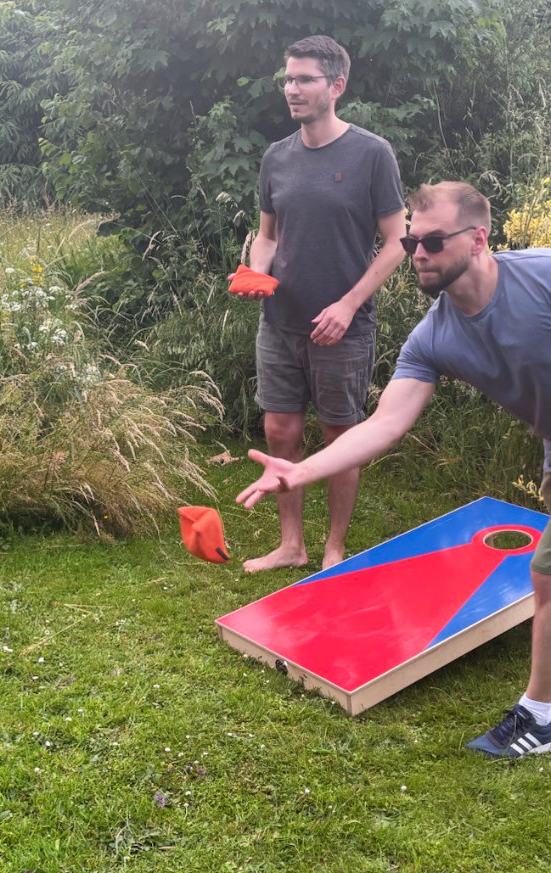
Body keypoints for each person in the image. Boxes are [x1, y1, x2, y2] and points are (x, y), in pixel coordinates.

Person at [236, 181, 551, 758]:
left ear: (478, 240)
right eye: (411, 241)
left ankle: (539, 720)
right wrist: (299, 472)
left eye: (433, 242)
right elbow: (383, 424)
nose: (417, 254)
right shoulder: (432, 337)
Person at [232, 35, 407, 573]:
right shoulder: (276, 157)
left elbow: (398, 241)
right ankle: (291, 545)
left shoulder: (371, 153)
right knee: (280, 432)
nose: (292, 89)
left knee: (340, 437)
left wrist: (350, 305)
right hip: (279, 321)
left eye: (304, 79)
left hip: (341, 326)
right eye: (288, 79)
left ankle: (333, 549)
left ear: (337, 85)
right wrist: (257, 270)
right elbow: (267, 234)